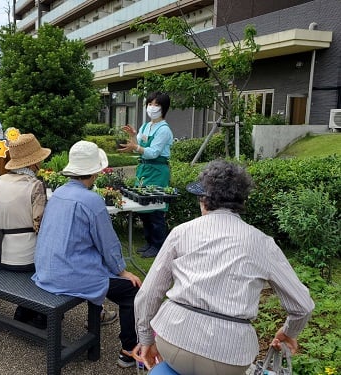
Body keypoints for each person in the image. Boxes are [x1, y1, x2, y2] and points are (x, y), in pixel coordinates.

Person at [134, 160, 315, 375]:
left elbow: (148, 294)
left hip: (172, 341)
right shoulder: (262, 243)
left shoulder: (181, 232)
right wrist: (288, 332)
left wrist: (146, 338)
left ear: (203, 200)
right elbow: (303, 306)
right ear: (241, 201)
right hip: (228, 356)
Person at [32, 140, 142, 368]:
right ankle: (128, 350)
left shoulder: (58, 193)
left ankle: (99, 315)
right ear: (94, 173)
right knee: (131, 291)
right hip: (70, 275)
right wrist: (123, 271)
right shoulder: (92, 200)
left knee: (99, 269)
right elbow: (108, 245)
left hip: (45, 270)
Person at [0, 133, 51, 327]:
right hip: (24, 257)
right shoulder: (35, 186)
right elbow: (41, 228)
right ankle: (41, 312)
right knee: (52, 253)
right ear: (34, 164)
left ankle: (24, 308)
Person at [119, 92, 174, 258]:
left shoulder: (164, 130)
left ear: (164, 108)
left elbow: (153, 152)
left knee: (155, 209)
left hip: (157, 170)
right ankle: (150, 242)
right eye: (150, 103)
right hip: (144, 170)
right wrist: (133, 135)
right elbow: (141, 144)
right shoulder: (145, 126)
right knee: (144, 208)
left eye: (156, 104)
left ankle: (158, 245)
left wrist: (135, 147)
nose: (152, 107)